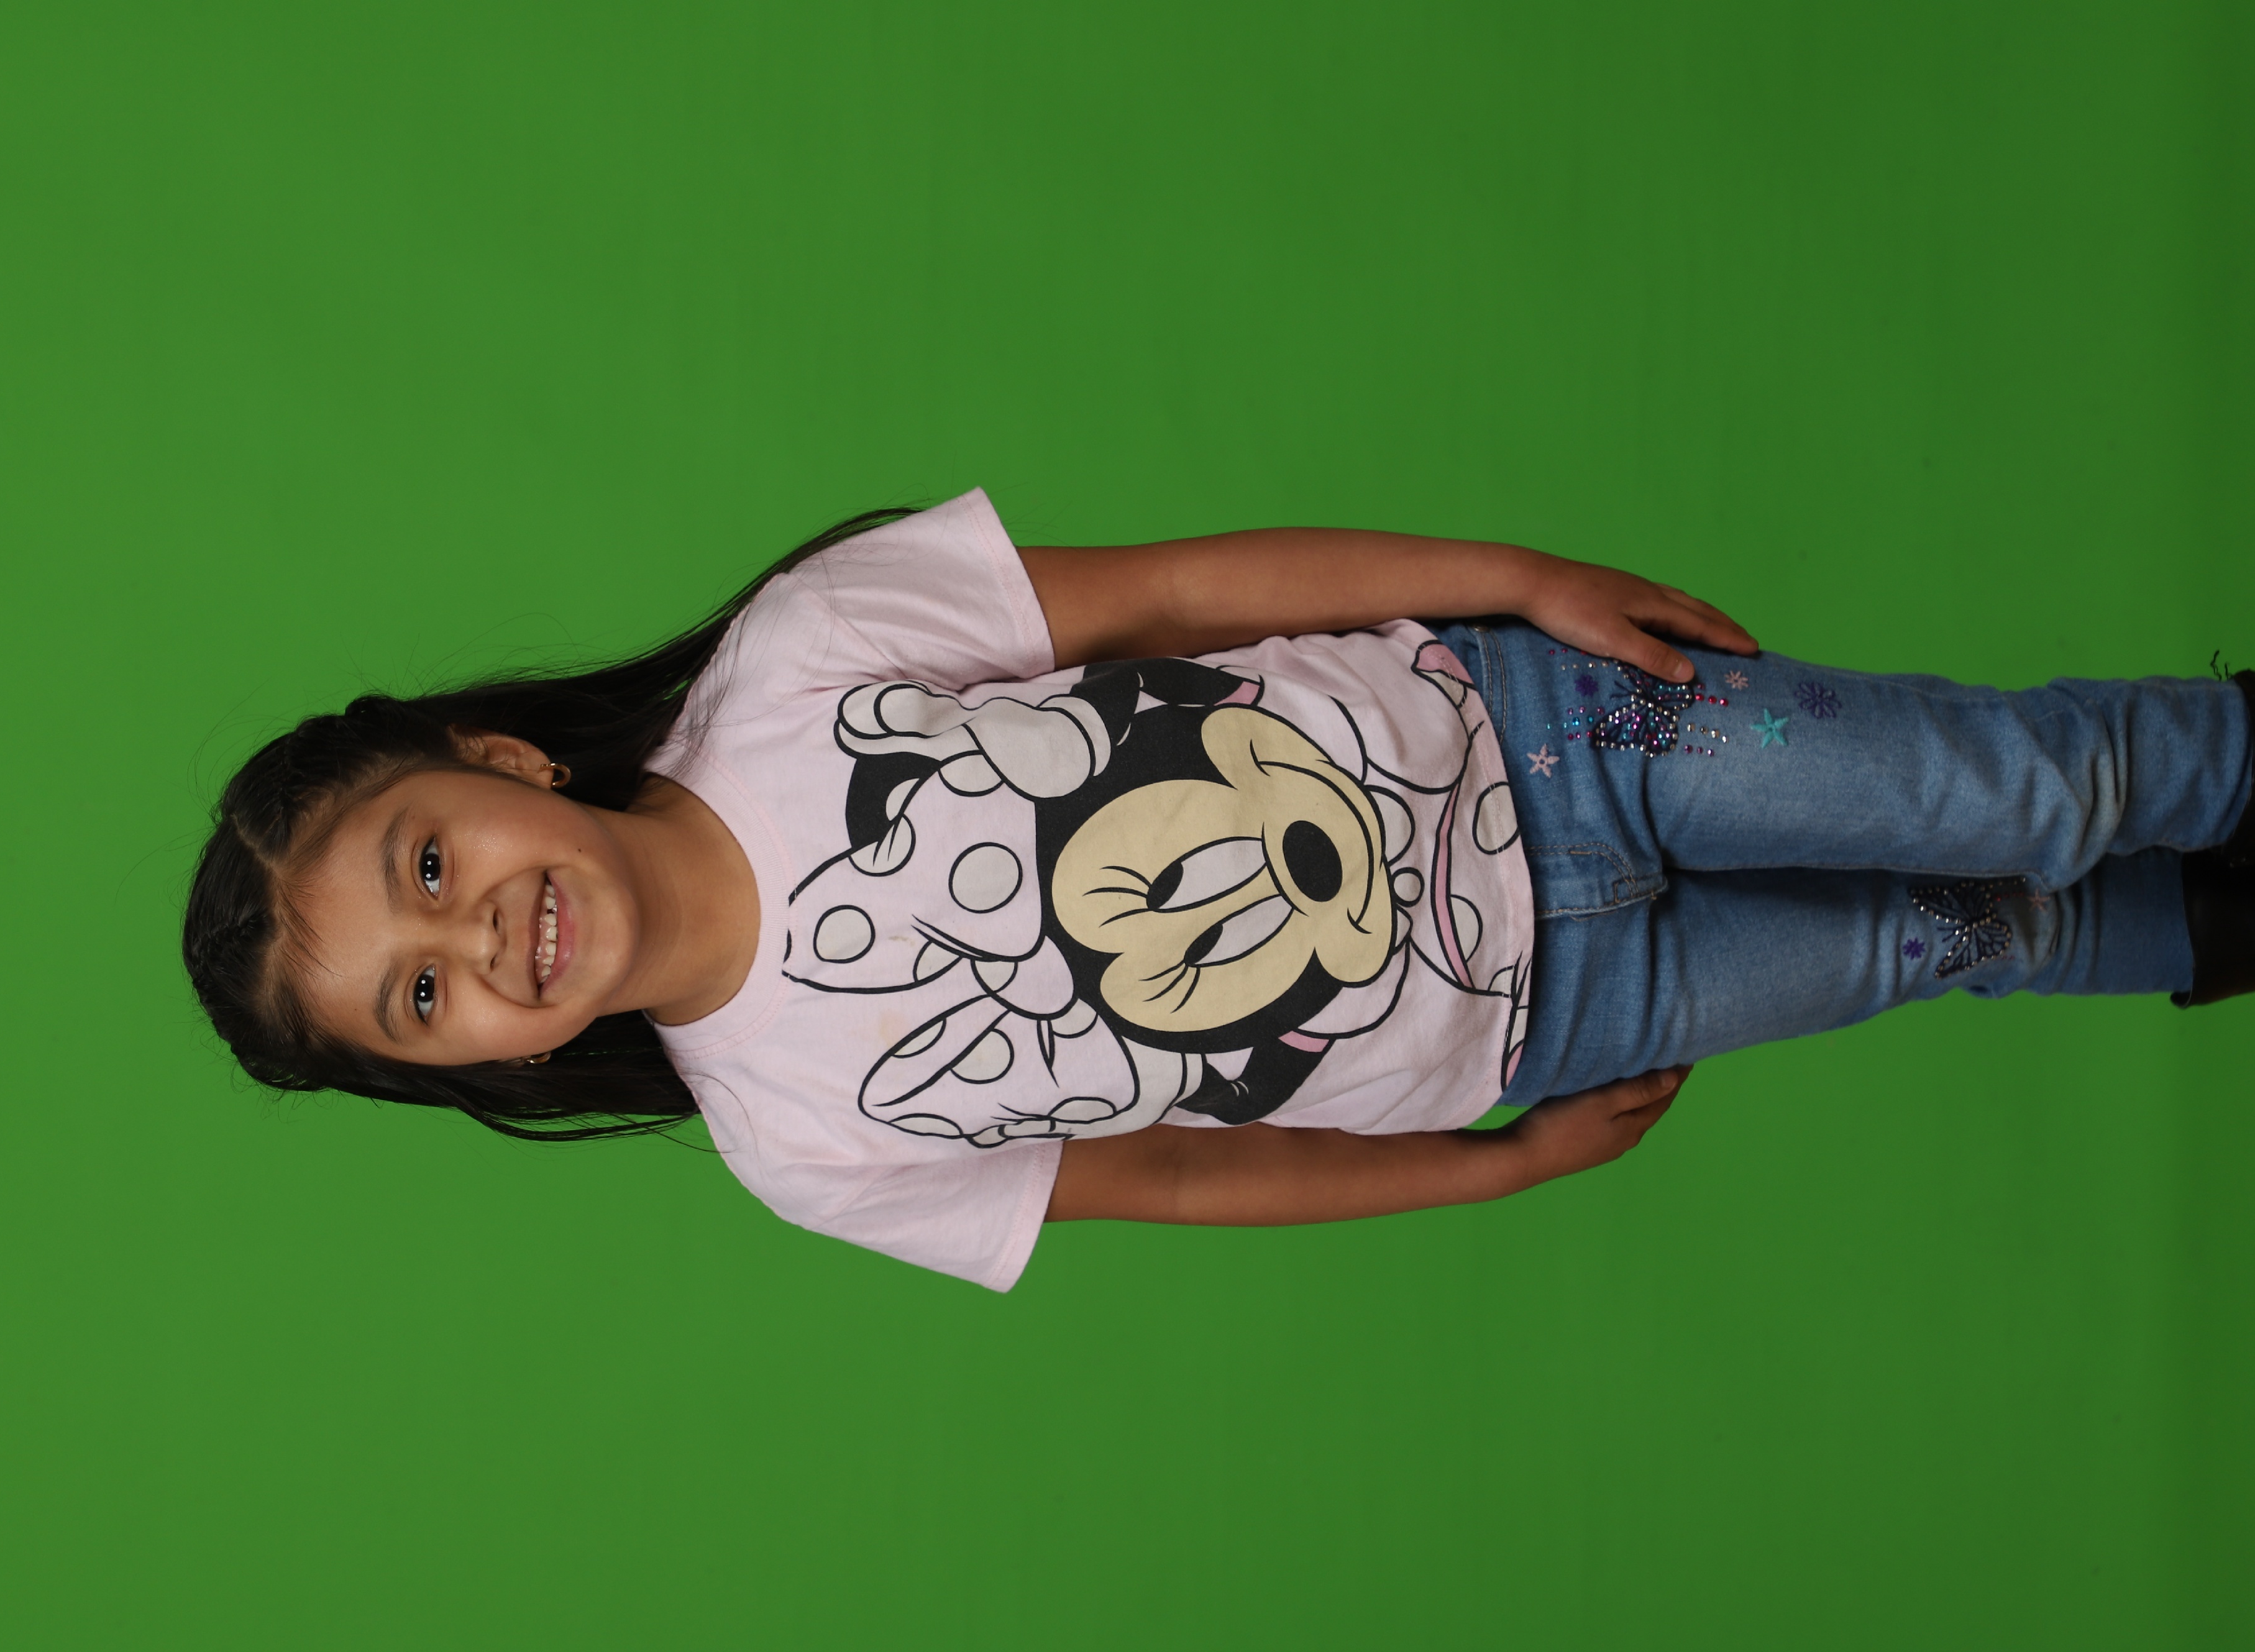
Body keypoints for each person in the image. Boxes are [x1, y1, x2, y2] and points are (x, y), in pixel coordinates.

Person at [181, 491, 2254, 1290]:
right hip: (1550, 1025)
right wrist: (1485, 1174)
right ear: (488, 1063)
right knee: (1967, 935)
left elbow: (1177, 592)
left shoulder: (804, 655)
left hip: (1551, 732)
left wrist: (1513, 579)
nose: (474, 937)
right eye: (422, 998)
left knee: (2029, 788)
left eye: (427, 864)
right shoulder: (800, 1150)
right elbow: (1169, 1178)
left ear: (499, 765)